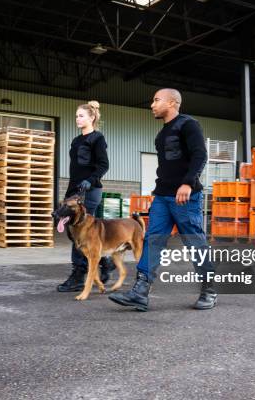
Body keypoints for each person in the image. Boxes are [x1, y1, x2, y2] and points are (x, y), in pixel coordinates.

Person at [108, 88, 216, 311]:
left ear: (173, 103)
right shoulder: (161, 135)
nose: (152, 105)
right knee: (152, 240)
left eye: (157, 100)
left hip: (186, 196)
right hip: (163, 197)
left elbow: (200, 155)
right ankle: (140, 292)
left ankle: (209, 290)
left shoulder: (188, 124)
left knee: (194, 242)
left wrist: (187, 183)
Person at [57, 101, 115, 292]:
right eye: (76, 116)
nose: (77, 119)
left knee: (82, 231)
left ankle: (79, 274)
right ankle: (105, 262)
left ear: (92, 118)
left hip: (90, 191)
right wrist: (70, 192)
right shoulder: (76, 141)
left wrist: (90, 180)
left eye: (81, 115)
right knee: (71, 230)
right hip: (74, 190)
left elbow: (103, 165)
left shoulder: (97, 138)